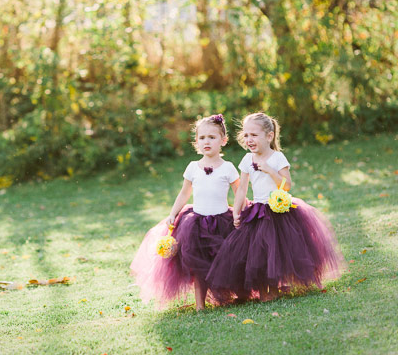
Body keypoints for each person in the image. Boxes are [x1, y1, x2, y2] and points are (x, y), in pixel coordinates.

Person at [206, 112, 345, 302]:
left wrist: (270, 171)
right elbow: (242, 189)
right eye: (246, 135)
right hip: (257, 211)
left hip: (279, 210)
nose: (249, 139)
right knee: (258, 253)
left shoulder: (277, 157)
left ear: (269, 136)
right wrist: (237, 211)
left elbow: (286, 186)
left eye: (254, 135)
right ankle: (265, 290)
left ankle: (275, 287)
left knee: (278, 250)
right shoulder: (247, 160)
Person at [131, 114, 240, 310]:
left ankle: (228, 295)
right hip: (196, 223)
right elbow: (184, 194)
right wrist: (174, 213)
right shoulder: (192, 168)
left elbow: (239, 193)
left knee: (223, 261)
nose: (206, 142)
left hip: (222, 221)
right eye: (202, 138)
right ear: (196, 142)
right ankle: (200, 305)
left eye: (212, 137)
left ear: (223, 140)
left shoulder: (228, 168)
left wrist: (240, 212)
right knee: (198, 265)